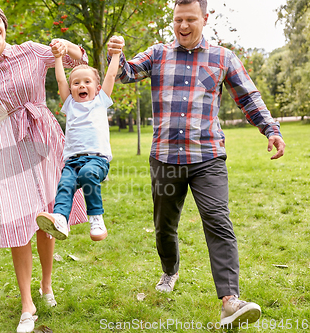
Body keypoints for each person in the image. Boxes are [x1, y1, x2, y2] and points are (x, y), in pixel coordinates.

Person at [107, 0, 285, 328]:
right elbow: (127, 73)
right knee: (164, 226)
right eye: (178, 20)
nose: (183, 26)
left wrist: (270, 129)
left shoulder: (223, 57)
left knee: (218, 220)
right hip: (165, 157)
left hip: (208, 157)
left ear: (205, 18)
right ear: (172, 20)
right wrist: (115, 53)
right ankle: (170, 270)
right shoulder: (158, 53)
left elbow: (248, 97)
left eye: (190, 19)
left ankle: (230, 301)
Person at [0, 4, 88, 333]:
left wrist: (63, 44)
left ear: (4, 26)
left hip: (45, 135)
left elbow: (77, 61)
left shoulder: (30, 51)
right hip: (10, 147)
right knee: (17, 221)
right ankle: (27, 304)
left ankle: (46, 286)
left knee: (46, 217)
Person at [36, 48, 121, 242]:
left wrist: (116, 54)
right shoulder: (70, 104)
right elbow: (60, 80)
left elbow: (111, 74)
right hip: (72, 162)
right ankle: (60, 219)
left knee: (87, 174)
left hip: (96, 160)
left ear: (97, 88)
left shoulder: (101, 101)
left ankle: (96, 218)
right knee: (65, 185)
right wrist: (57, 57)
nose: (81, 86)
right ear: (71, 88)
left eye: (86, 82)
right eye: (76, 83)